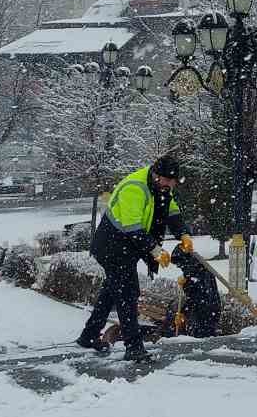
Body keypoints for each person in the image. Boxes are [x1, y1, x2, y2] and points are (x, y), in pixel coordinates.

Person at [77, 153, 193, 361]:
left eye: (172, 182)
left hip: (128, 247)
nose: (170, 185)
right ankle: (133, 346)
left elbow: (172, 212)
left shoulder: (162, 188)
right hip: (112, 246)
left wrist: (183, 233)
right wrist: (155, 250)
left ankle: (89, 335)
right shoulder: (135, 187)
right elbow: (132, 228)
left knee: (113, 291)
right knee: (127, 292)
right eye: (167, 181)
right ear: (157, 176)